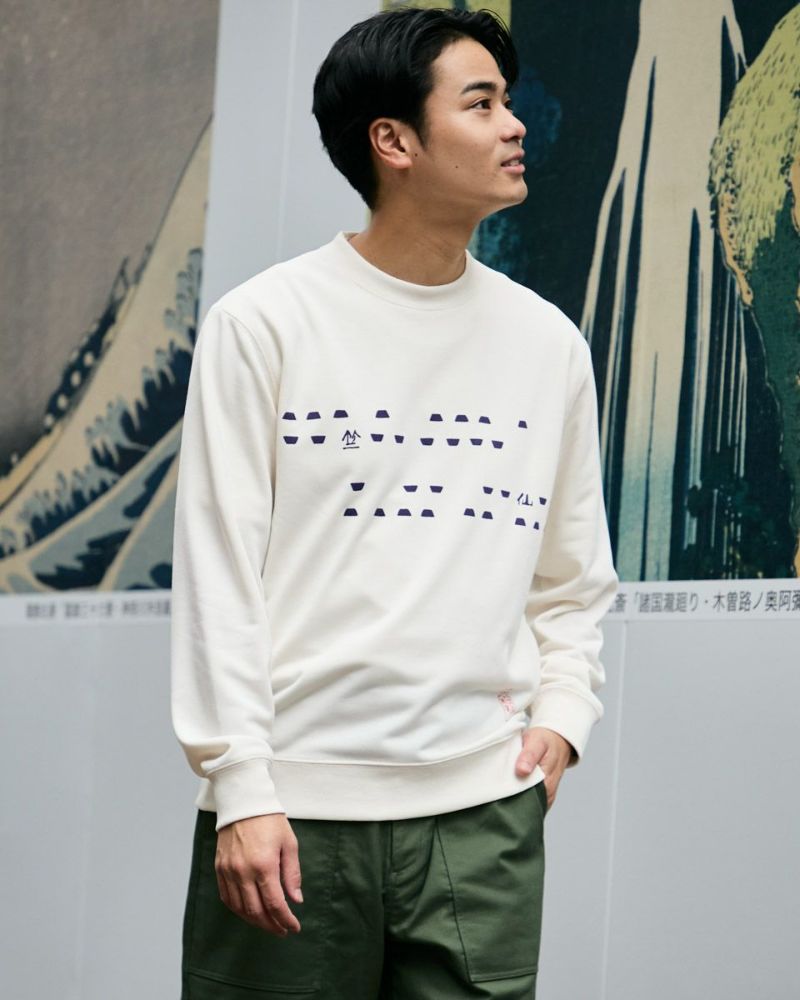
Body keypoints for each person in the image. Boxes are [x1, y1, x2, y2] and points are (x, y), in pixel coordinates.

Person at [170, 6, 619, 999]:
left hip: (482, 814)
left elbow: (572, 574)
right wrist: (240, 782)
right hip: (290, 811)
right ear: (393, 141)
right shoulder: (265, 325)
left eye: (507, 102)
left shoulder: (547, 344)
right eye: (481, 103)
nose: (515, 125)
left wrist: (563, 712)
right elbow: (217, 576)